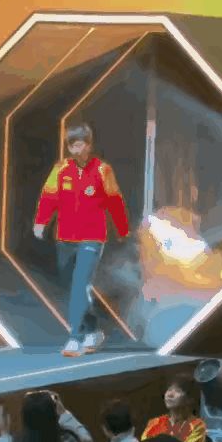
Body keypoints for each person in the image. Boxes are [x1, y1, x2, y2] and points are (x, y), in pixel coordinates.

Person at [34, 123, 129, 358]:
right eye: (71, 146)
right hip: (64, 238)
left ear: (88, 145)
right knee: (73, 287)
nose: (75, 150)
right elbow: (48, 197)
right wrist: (41, 221)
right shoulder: (60, 169)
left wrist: (122, 228)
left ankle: (75, 338)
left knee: (79, 285)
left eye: (79, 145)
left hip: (92, 238)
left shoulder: (102, 170)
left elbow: (114, 201)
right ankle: (93, 331)